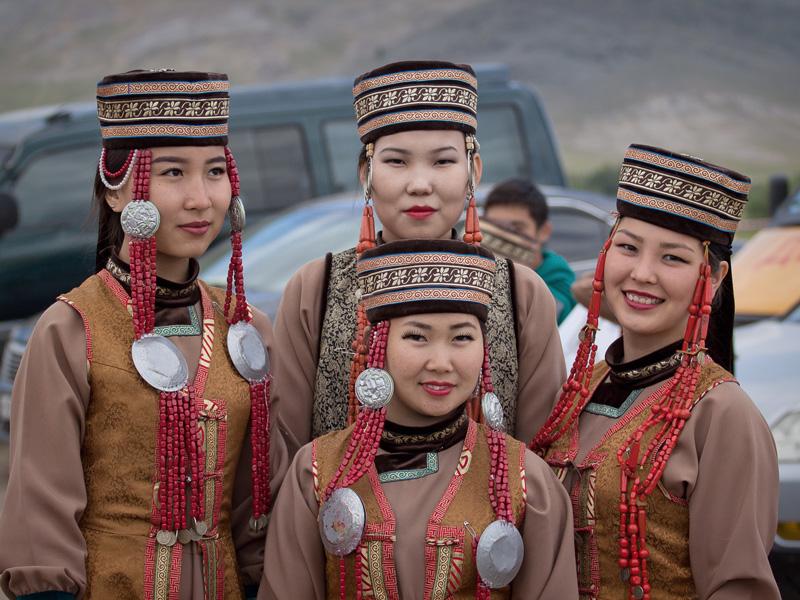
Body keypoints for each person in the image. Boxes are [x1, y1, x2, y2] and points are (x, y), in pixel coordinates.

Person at [0, 70, 285, 599]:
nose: (201, 198)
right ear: (115, 191)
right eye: (173, 172)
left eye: (216, 172)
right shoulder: (70, 329)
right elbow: (40, 518)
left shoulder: (245, 327)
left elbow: (258, 510)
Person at [270, 61, 565, 462]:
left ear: (473, 171)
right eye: (397, 162)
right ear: (366, 173)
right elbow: (285, 455)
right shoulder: (315, 288)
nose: (420, 183)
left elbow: (543, 456)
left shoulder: (521, 292)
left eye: (443, 161)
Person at [259, 239, 577, 599]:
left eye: (461, 337)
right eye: (417, 337)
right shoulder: (316, 472)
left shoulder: (526, 482)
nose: (441, 362)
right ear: (377, 341)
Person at [531, 144, 780, 599]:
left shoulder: (722, 414)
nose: (642, 274)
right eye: (628, 248)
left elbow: (738, 588)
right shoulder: (583, 388)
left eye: (672, 258)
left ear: (716, 276)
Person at [482, 178, 576, 324]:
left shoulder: (560, 280)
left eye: (516, 229)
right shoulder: (476, 270)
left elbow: (552, 316)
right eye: (494, 227)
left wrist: (516, 274)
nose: (503, 236)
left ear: (544, 231)